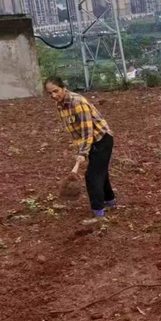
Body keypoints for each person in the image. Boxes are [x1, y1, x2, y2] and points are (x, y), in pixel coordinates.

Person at [45, 77, 116, 218]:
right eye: (49, 93)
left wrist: (83, 153)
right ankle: (110, 201)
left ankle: (98, 213)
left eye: (56, 91)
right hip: (91, 141)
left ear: (64, 87)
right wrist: (80, 149)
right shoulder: (60, 104)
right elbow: (75, 130)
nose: (53, 95)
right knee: (100, 171)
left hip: (101, 139)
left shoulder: (76, 102)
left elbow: (87, 131)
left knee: (92, 176)